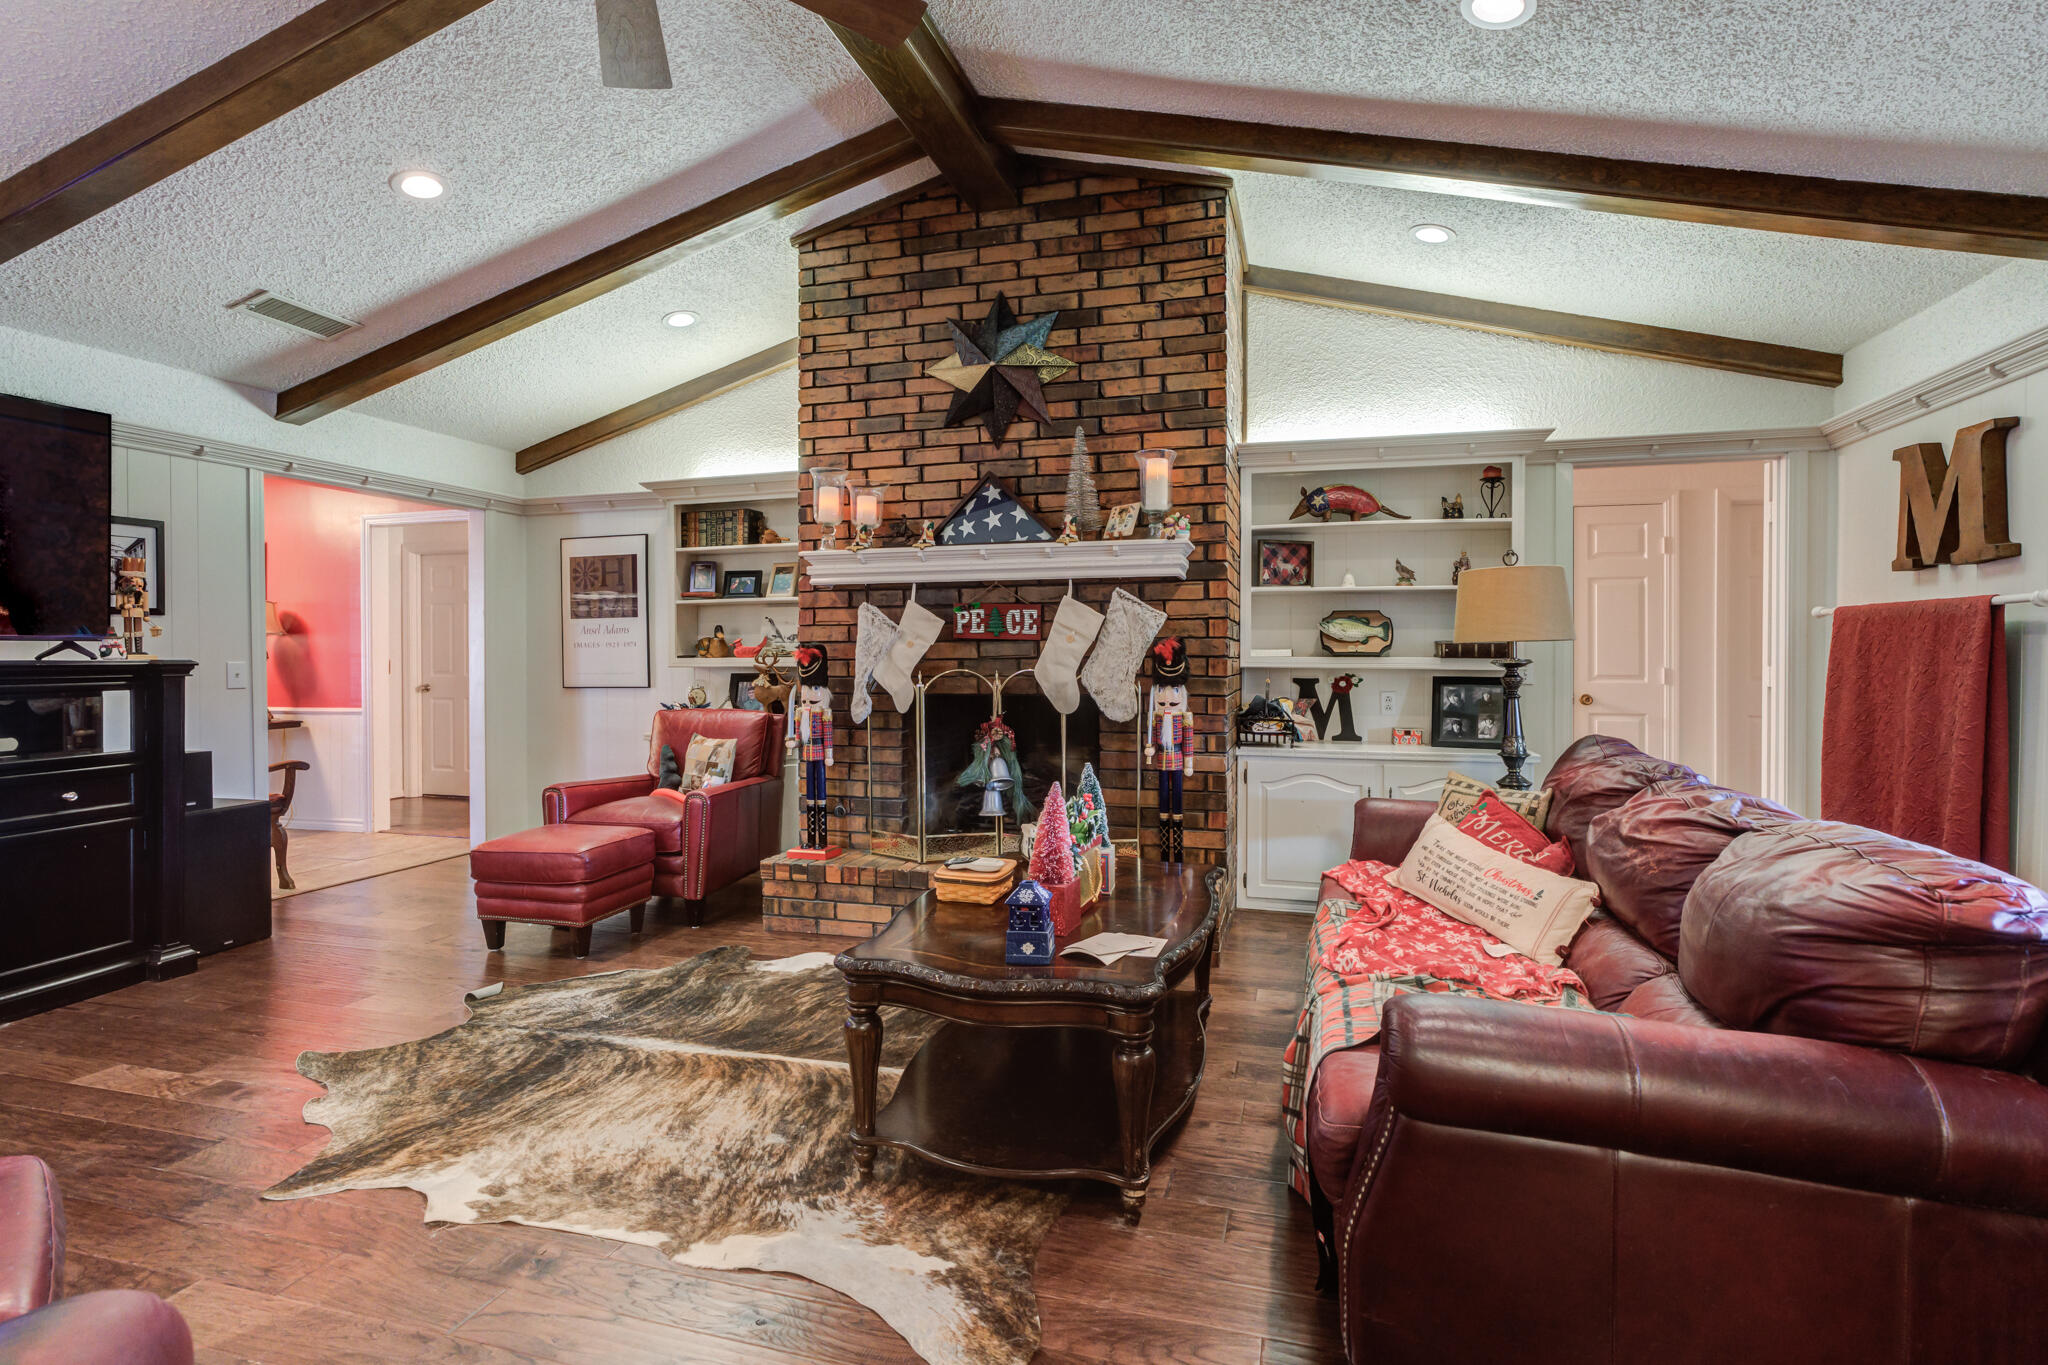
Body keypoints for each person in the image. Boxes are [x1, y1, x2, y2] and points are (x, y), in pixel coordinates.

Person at [1144, 637, 1195, 863]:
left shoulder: (1184, 718)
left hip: (1177, 759)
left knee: (1178, 798)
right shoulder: (1156, 718)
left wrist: (1189, 763)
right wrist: (1151, 748)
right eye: (1163, 690)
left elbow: (1188, 742)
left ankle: (1179, 852)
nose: (1167, 697)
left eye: (1173, 690)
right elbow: (1153, 739)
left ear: (1181, 692)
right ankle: (1165, 852)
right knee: (1163, 799)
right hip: (1162, 761)